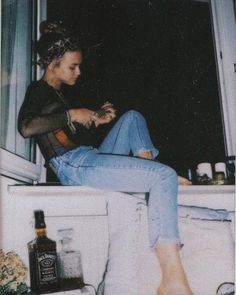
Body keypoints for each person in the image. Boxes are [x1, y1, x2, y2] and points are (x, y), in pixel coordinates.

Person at [18, 21, 193, 295]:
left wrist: (95, 118)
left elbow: (62, 133)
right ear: (52, 63)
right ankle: (171, 279)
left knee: (132, 117)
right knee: (165, 176)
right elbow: (27, 127)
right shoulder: (38, 89)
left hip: (84, 157)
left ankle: (148, 184)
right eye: (73, 66)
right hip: (73, 165)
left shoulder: (56, 95)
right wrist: (72, 114)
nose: (78, 71)